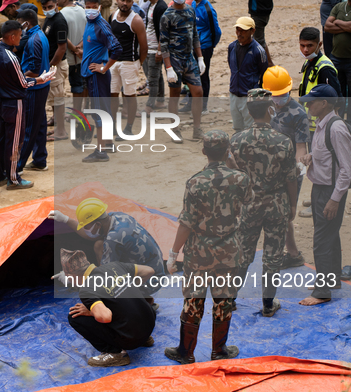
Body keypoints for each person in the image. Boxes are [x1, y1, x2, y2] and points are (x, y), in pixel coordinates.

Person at [164, 130, 252, 365]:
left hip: (199, 253)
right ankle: (219, 351)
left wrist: (173, 253)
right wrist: (232, 164)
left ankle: (186, 352)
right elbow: (248, 200)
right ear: (227, 151)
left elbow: (186, 223)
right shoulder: (240, 179)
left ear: (203, 151)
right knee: (223, 300)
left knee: (194, 300)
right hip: (229, 251)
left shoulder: (195, 182)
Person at [229, 88, 298, 317]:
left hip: (249, 204)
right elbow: (291, 178)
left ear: (248, 110)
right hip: (277, 203)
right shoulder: (283, 142)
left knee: (243, 252)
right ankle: (268, 304)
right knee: (273, 255)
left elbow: (234, 174)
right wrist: (293, 205)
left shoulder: (237, 140)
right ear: (270, 109)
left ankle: (229, 299)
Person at [298, 84, 351, 306]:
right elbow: (328, 154)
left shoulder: (336, 128)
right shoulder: (322, 125)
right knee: (330, 235)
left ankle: (322, 291)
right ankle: (332, 279)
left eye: (312, 101)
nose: (309, 104)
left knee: (321, 240)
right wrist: (312, 157)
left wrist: (334, 199)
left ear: (325, 104)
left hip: (330, 191)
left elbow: (346, 169)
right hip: (320, 187)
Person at [48, 197, 165, 300]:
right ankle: (143, 298)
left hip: (150, 281)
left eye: (86, 226)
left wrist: (72, 276)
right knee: (99, 245)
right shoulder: (117, 217)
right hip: (155, 269)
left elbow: (104, 275)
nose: (85, 229)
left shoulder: (113, 240)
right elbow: (90, 236)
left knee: (107, 290)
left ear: (98, 224)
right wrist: (66, 219)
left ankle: (141, 300)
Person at [64, 249, 156, 367]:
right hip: (149, 324)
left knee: (74, 317)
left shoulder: (86, 289)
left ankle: (116, 354)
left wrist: (91, 311)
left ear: (71, 276)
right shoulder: (114, 266)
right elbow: (149, 271)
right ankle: (145, 338)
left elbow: (105, 317)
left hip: (132, 338)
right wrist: (127, 289)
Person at [0, 21, 54, 189]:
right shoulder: (11, 58)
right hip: (15, 103)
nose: (22, 37)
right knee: (15, 141)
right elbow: (23, 83)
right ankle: (14, 178)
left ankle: (0, 173)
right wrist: (41, 79)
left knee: (2, 138)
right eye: (19, 35)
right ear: (12, 37)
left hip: (3, 101)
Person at [262, 66, 310, 269]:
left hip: (288, 171)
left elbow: (301, 147)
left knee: (284, 213)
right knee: (275, 213)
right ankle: (291, 253)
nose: (278, 99)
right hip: (268, 169)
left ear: (289, 91)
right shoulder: (266, 106)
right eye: (274, 95)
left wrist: (300, 169)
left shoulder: (298, 114)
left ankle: (289, 254)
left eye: (281, 95)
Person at [298, 27, 341, 218]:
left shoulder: (324, 68)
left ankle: (322, 201)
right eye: (302, 45)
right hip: (313, 123)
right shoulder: (310, 62)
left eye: (310, 46)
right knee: (315, 163)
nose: (305, 50)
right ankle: (316, 195)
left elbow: (335, 98)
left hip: (322, 126)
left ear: (319, 44)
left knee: (324, 164)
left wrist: (329, 126)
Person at [80, 0, 123, 163]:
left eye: (93, 7)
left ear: (100, 7)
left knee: (99, 111)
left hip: (98, 76)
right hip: (92, 74)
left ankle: (100, 151)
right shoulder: (90, 22)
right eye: (87, 7)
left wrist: (104, 67)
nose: (90, 10)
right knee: (103, 109)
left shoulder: (101, 25)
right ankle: (108, 143)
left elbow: (117, 48)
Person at [160, 0, 206, 143]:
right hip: (174, 60)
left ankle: (197, 129)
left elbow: (195, 35)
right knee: (175, 95)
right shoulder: (167, 15)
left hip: (189, 58)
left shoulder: (190, 11)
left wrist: (200, 57)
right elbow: (163, 43)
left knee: (198, 92)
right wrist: (168, 68)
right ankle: (175, 130)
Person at [16, 9, 51, 175]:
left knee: (29, 127)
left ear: (26, 23)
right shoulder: (40, 35)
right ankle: (40, 159)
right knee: (40, 123)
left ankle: (18, 166)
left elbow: (34, 70)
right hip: (42, 87)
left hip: (35, 88)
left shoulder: (33, 40)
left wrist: (18, 77)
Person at [109, 0, 147, 139]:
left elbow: (144, 47)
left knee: (129, 95)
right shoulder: (113, 16)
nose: (125, 3)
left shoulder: (136, 20)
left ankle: (129, 128)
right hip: (113, 62)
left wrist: (138, 64)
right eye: (122, 0)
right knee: (112, 94)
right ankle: (112, 126)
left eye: (129, 1)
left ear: (133, 2)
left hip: (129, 62)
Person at [227, 17, 268, 133]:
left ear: (252, 31)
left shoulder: (258, 51)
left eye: (243, 31)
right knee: (237, 129)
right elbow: (232, 67)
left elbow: (264, 74)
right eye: (238, 30)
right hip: (234, 94)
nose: (239, 33)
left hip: (249, 97)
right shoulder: (232, 47)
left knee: (250, 130)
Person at [41, 0, 69, 141]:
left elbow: (62, 47)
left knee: (57, 98)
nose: (47, 10)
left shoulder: (59, 21)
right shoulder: (49, 19)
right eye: (45, 8)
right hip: (52, 64)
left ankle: (61, 131)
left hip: (56, 65)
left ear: (56, 4)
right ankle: (58, 128)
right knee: (53, 98)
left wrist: (50, 66)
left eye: (50, 7)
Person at [187, 0, 221, 114]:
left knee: (203, 76)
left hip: (204, 47)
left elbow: (216, 31)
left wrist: (210, 45)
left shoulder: (208, 10)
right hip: (193, 46)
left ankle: (203, 106)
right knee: (191, 74)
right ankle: (191, 102)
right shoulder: (192, 5)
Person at [323, 1, 351, 124]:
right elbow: (327, 27)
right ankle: (338, 120)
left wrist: (337, 22)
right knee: (337, 91)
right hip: (336, 58)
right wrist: (347, 27)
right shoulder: (339, 7)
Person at [58, 0, 87, 122]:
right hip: (82, 54)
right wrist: (79, 47)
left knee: (75, 86)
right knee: (82, 84)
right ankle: (83, 110)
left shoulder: (61, 14)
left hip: (70, 56)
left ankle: (76, 113)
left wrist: (73, 48)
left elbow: (62, 35)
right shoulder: (82, 10)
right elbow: (87, 32)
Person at [143, 0, 168, 113]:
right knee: (157, 75)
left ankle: (149, 107)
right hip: (149, 47)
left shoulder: (161, 7)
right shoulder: (151, 5)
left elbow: (164, 31)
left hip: (155, 49)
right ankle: (160, 101)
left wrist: (159, 50)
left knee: (153, 78)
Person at [248, 0, 274, 67]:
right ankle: (267, 63)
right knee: (259, 39)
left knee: (259, 42)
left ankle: (267, 64)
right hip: (265, 10)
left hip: (258, 12)